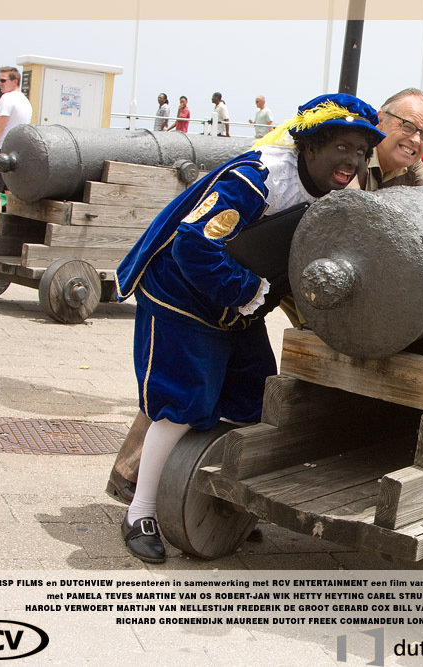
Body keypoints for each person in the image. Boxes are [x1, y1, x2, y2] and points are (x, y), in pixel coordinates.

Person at [113, 93, 384, 563]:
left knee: (252, 400)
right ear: (312, 146)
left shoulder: (331, 194)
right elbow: (193, 247)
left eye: (361, 152)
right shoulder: (257, 179)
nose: (354, 160)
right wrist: (248, 291)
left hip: (236, 305)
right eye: (343, 146)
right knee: (180, 405)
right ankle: (141, 511)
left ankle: (213, 494)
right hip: (181, 296)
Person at [0, 66, 32, 233]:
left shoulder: (7, 99)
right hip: (17, 150)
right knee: (10, 191)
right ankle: (10, 229)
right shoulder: (25, 101)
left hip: (1, 148)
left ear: (14, 81)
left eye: (3, 80)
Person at [357, 88, 423, 191]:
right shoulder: (355, 152)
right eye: (408, 127)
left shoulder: (413, 165)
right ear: (380, 120)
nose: (416, 140)